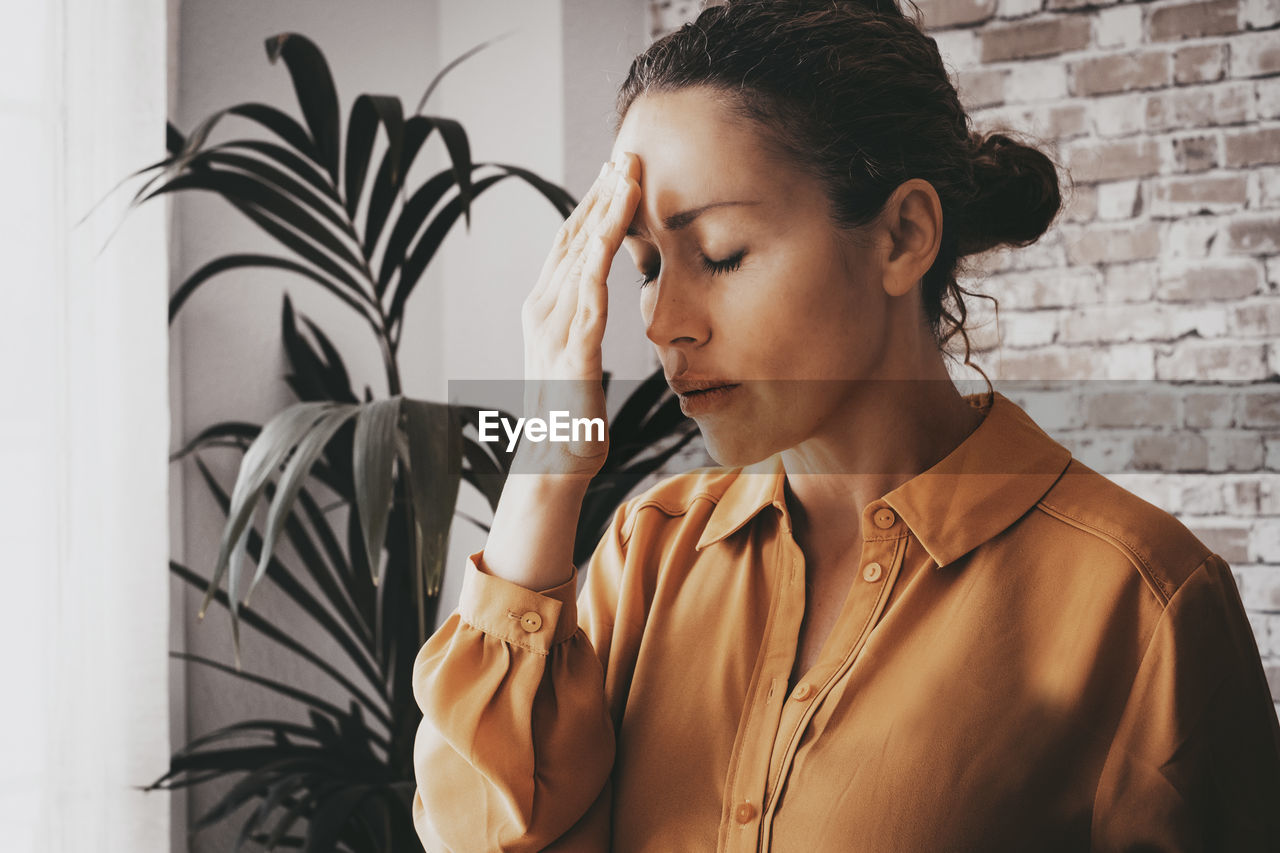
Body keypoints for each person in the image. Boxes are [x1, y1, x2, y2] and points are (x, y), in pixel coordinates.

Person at [409, 0, 1280, 850]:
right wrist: (548, 462)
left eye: (718, 253)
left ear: (902, 235)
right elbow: (478, 835)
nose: (660, 317)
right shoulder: (650, 553)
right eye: (644, 265)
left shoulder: (1142, 602)